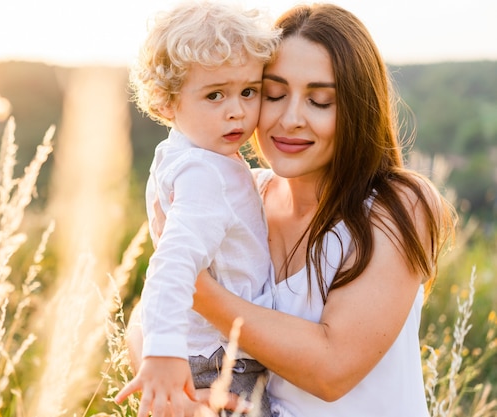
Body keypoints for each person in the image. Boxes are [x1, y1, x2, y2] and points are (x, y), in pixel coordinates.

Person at [126, 3, 458, 417]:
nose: (291, 118)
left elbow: (332, 370)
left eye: (320, 101)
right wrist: (182, 392)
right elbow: (148, 312)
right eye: (273, 94)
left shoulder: (397, 205)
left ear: (357, 110)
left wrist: (200, 292)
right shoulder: (243, 192)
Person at [114, 2, 281, 417]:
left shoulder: (188, 154)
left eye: (249, 91)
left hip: (216, 355)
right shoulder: (204, 174)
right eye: (214, 94)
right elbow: (172, 264)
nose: (237, 110)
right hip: (222, 366)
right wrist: (164, 354)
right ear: (165, 101)